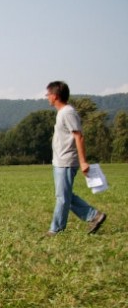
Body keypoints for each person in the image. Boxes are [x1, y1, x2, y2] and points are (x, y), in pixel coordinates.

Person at [45, 81, 106, 236]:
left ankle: (56, 230)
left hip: (66, 161)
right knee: (65, 196)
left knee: (63, 198)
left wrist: (83, 161)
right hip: (60, 161)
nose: (47, 97)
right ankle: (94, 216)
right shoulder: (62, 112)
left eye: (48, 94)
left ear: (55, 96)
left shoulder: (68, 112)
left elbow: (78, 136)